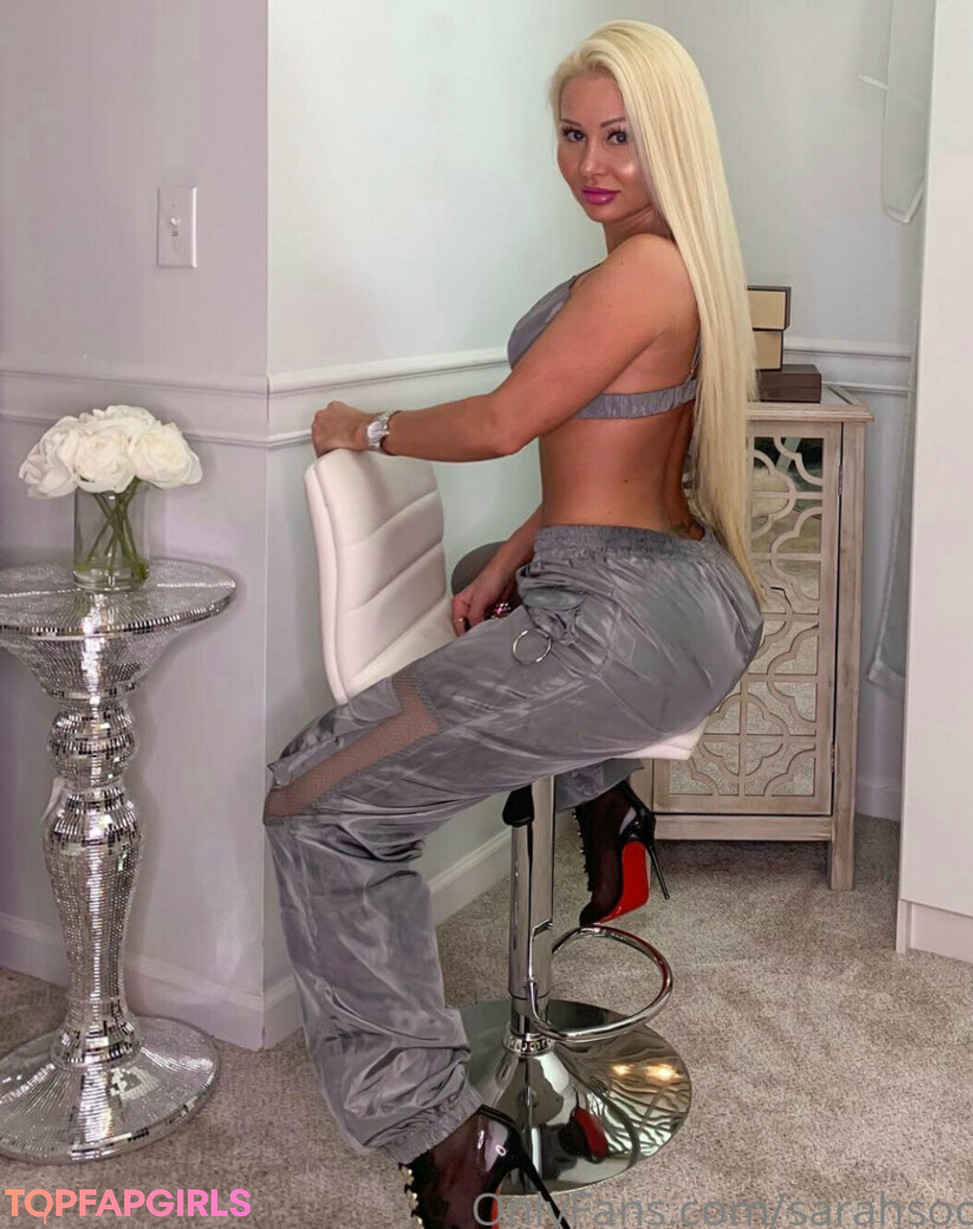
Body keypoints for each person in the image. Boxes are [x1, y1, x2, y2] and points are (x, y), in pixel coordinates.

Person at [263, 19, 766, 1229]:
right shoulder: (681, 261)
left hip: (615, 625)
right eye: (573, 134)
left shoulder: (638, 270)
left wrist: (362, 427)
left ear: (669, 142)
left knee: (314, 801)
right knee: (484, 568)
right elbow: (606, 450)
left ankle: (441, 1127)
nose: (592, 163)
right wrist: (515, 557)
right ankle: (608, 808)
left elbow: (501, 423)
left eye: (621, 137)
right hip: (682, 589)